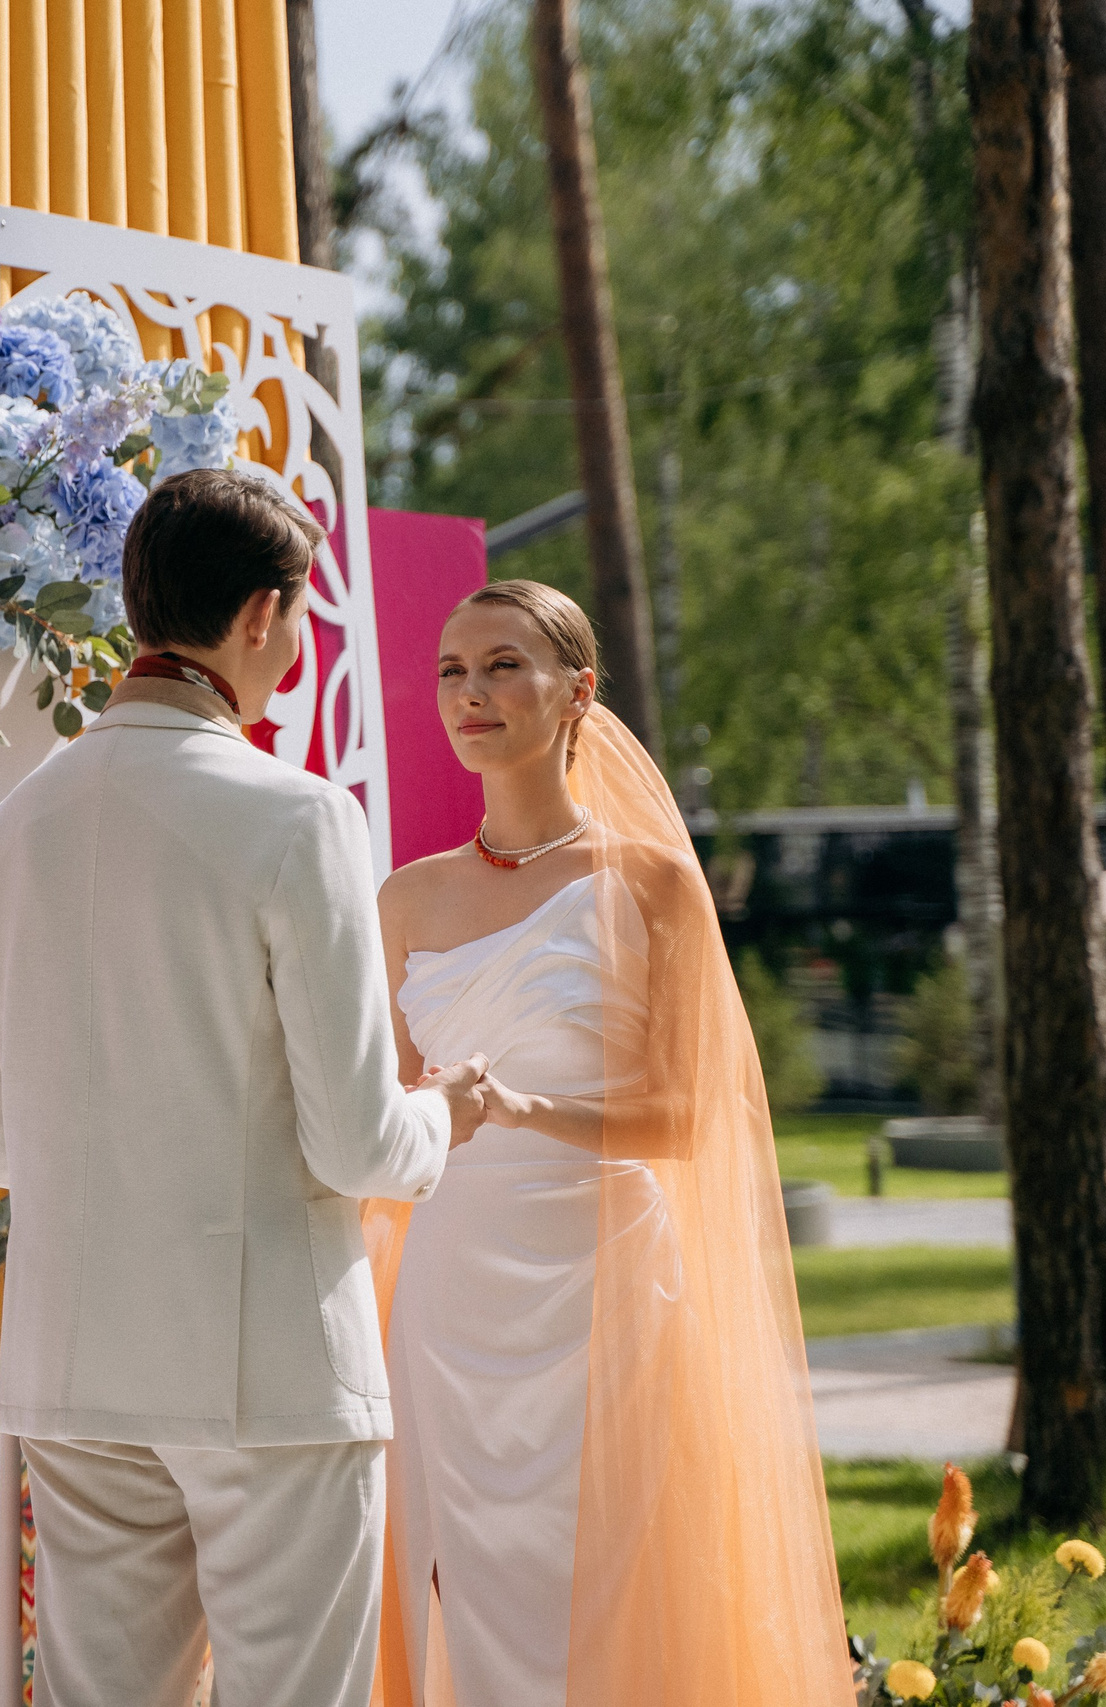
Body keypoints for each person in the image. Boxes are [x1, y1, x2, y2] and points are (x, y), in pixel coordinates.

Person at [0, 469, 492, 1707]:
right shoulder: (296, 817)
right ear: (260, 616)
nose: (297, 650)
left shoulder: (8, 834)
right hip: (269, 1380)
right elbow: (363, 1143)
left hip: (77, 1368)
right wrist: (449, 1113)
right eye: (299, 619)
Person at [367, 580, 853, 1707]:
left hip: (606, 1273)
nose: (469, 692)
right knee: (455, 1567)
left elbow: (689, 1117)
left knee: (623, 1566)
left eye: (501, 665)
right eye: (451, 669)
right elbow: (388, 1112)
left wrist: (528, 1110)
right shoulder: (402, 899)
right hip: (447, 1285)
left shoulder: (653, 886)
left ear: (576, 690)